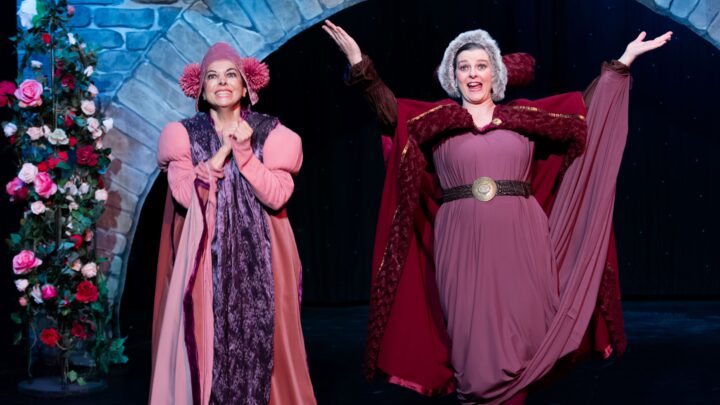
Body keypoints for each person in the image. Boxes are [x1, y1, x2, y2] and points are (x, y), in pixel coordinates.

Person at [324, 20, 671, 404]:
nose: (473, 74)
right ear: (453, 76)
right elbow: (390, 113)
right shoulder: (436, 119)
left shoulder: (527, 116)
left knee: (521, 340)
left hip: (522, 240)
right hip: (460, 241)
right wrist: (359, 64)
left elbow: (587, 111)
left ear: (496, 74)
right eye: (464, 67)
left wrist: (624, 60)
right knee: (472, 349)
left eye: (481, 65)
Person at [149, 42, 316, 405]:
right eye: (212, 76)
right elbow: (184, 195)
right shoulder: (182, 135)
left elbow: (276, 196)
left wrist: (244, 154)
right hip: (204, 260)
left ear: (245, 87)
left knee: (263, 341)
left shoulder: (273, 134)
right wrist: (221, 154)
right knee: (206, 341)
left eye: (230, 75)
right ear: (201, 89)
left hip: (262, 261)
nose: (222, 82)